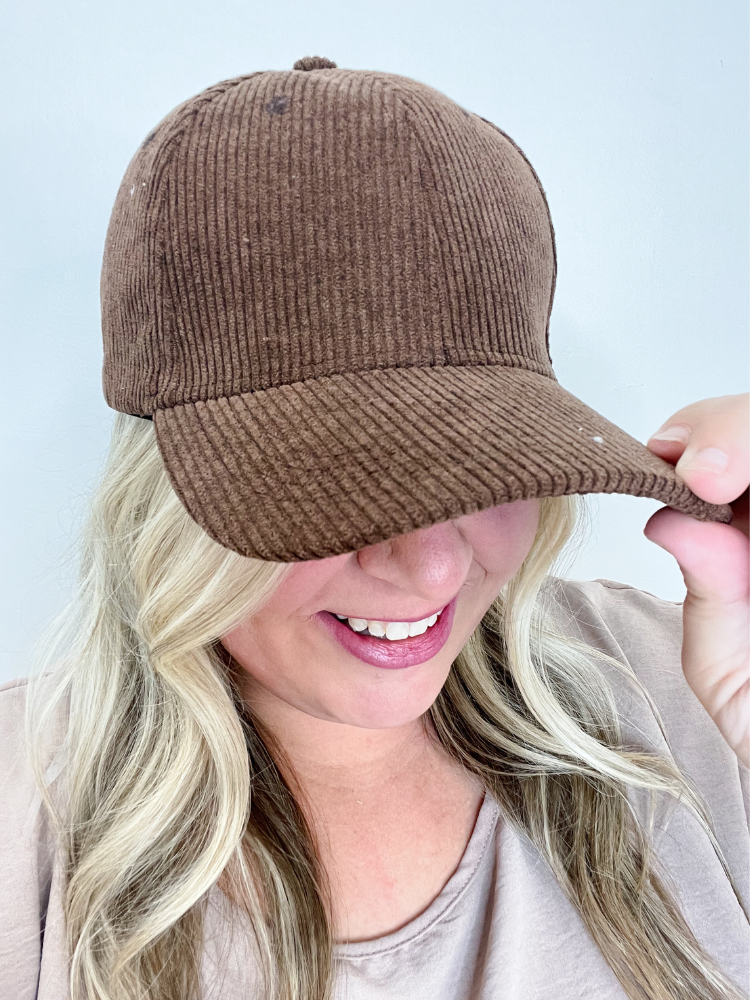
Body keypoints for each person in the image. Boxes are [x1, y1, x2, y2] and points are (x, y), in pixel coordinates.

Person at [0, 56, 747, 1000]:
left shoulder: (685, 688)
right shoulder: (22, 817)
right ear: (164, 498)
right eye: (336, 478)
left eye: (487, 463)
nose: (432, 566)